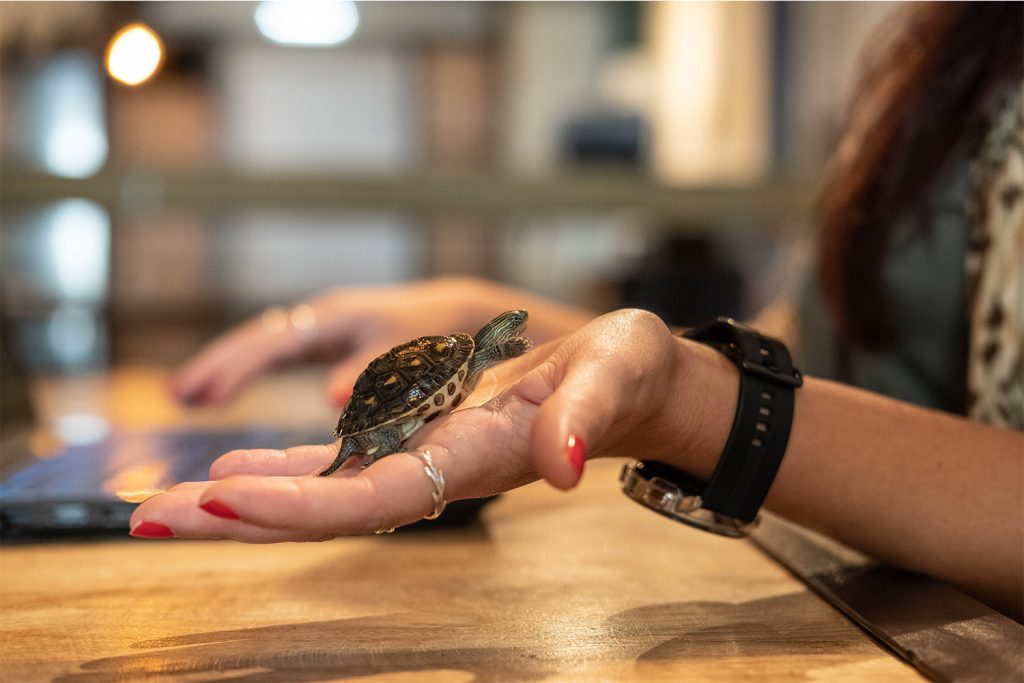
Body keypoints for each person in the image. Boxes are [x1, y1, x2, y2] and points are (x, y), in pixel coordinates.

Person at [130, 3, 1023, 622]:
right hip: (865, 595)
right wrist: (538, 341)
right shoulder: (967, 33)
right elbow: (812, 358)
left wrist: (697, 405)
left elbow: (751, 394)